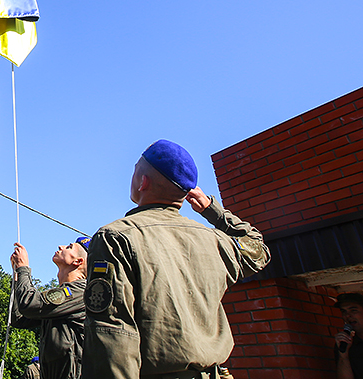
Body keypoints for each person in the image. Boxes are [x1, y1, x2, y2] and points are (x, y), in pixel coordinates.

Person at [81, 139, 271, 379]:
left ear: (143, 181)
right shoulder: (216, 241)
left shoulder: (116, 237)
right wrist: (211, 209)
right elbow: (258, 248)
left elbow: (113, 333)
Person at [10, 236, 90, 379]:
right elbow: (20, 319)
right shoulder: (66, 297)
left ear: (78, 261)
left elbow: (29, 304)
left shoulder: (80, 292)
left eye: (69, 247)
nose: (61, 246)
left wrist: (23, 268)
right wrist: (18, 277)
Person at [335, 292, 363, 379]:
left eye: (353, 310)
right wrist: (344, 356)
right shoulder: (347, 344)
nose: (348, 315)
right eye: (344, 311)